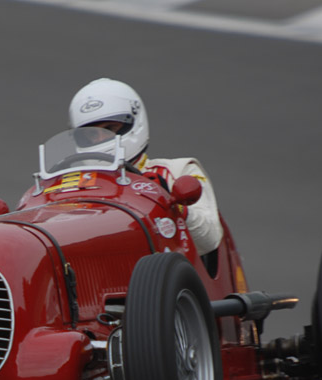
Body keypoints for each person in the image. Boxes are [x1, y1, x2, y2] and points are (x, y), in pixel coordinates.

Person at [68, 77, 223, 257]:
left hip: (171, 277)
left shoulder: (178, 171)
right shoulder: (73, 187)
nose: (101, 139)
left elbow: (210, 240)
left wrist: (169, 201)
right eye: (91, 135)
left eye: (110, 128)